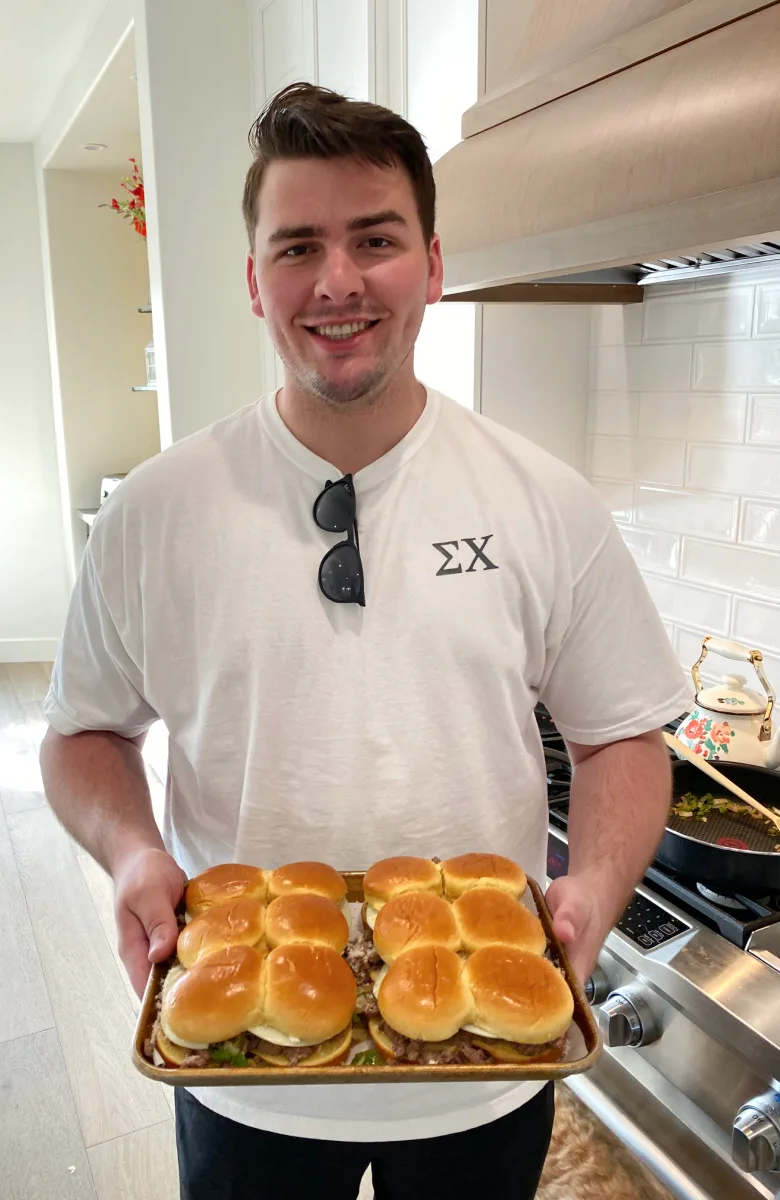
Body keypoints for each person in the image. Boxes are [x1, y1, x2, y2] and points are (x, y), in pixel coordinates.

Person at [40, 83, 688, 1200]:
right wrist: (135, 853)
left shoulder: (542, 500)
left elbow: (621, 736)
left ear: (430, 265)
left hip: (485, 1069)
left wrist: (592, 881)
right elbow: (82, 733)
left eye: (374, 239)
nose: (336, 281)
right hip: (242, 1074)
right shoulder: (156, 511)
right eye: (297, 246)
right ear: (254, 282)